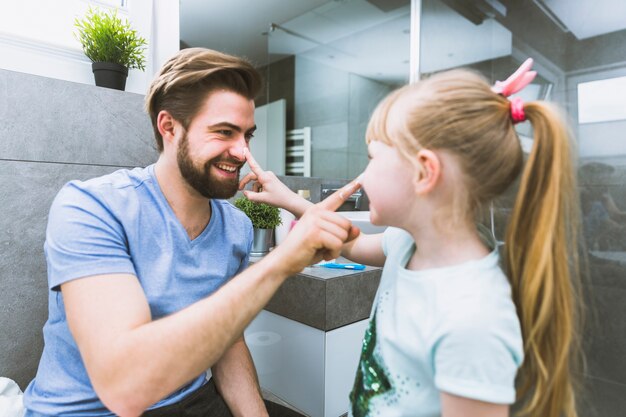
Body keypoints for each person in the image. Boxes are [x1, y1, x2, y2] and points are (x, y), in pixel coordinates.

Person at [23, 47, 360, 417]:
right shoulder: (92, 207)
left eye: (247, 134)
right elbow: (125, 389)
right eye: (224, 132)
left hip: (193, 401)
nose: (243, 151)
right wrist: (281, 260)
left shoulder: (235, 226)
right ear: (168, 127)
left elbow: (227, 344)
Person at [239, 59, 583, 417]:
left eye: (372, 158)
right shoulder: (406, 242)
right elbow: (348, 244)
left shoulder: (472, 318)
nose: (362, 176)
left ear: (424, 172)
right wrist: (288, 199)